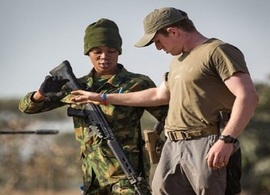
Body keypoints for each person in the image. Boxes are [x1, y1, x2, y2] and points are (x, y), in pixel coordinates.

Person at [71, 7, 259, 195]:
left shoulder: (217, 51)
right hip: (174, 146)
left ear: (173, 31)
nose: (159, 47)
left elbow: (248, 96)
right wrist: (103, 97)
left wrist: (226, 140)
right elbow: (157, 95)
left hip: (206, 142)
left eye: (158, 41)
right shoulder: (178, 60)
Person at [19, 18, 167, 195]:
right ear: (88, 53)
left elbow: (168, 115)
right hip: (93, 178)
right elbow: (27, 108)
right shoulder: (74, 86)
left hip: (127, 176)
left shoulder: (137, 83)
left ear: (119, 52)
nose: (105, 56)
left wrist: (154, 140)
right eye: (97, 51)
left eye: (111, 50)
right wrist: (40, 94)